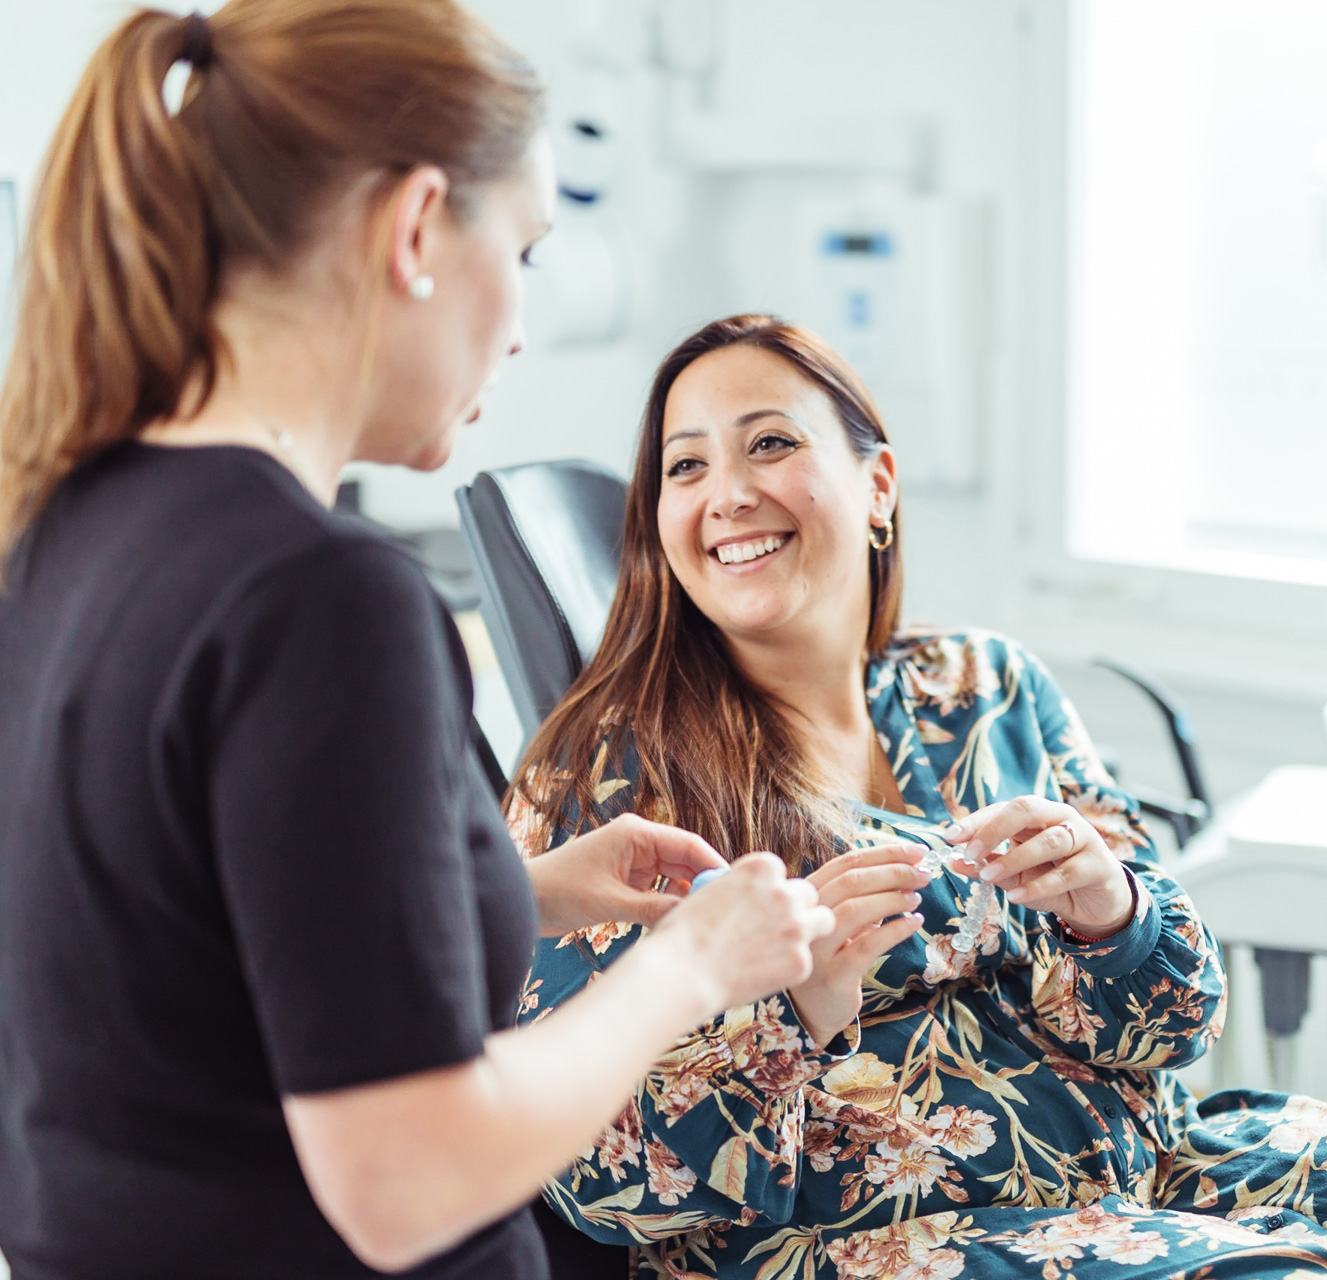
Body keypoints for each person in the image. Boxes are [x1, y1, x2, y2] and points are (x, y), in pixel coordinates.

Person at [508, 315, 1327, 1280]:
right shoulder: (615, 778)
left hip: (1154, 1156)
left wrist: (1113, 912)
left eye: (769, 442)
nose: (726, 491)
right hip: (870, 1237)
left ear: (878, 483)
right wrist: (808, 1006)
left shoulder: (984, 685)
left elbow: (1168, 1025)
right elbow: (602, 1170)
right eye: (684, 466)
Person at [0, 10, 837, 1280]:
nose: (519, 323)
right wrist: (692, 965)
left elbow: (186, 948)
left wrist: (525, 887)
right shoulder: (324, 599)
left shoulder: (58, 526)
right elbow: (406, 1177)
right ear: (415, 229)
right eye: (528, 248)